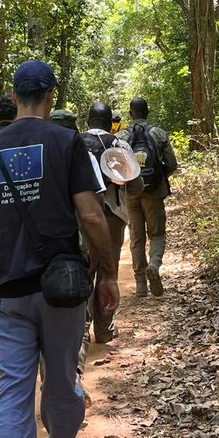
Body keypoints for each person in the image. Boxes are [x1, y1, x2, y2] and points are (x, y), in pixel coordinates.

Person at [0, 60, 119, 438]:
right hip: (61, 288)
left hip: (6, 290)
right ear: (52, 96)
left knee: (12, 395)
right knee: (60, 377)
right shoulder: (65, 142)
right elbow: (91, 214)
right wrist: (109, 272)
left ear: (14, 97)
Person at [81, 102, 143, 342]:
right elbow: (136, 186)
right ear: (111, 123)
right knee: (108, 270)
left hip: (82, 217)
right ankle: (104, 329)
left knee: (85, 269)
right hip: (113, 217)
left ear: (87, 121)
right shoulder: (120, 144)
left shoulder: (74, 143)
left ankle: (81, 330)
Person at [119, 96, 178, 297]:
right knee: (157, 234)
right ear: (148, 112)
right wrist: (158, 178)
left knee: (136, 238)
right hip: (154, 192)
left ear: (130, 114)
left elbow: (115, 167)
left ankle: (141, 284)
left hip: (130, 193)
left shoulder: (122, 137)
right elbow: (172, 164)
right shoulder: (159, 134)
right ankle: (154, 264)